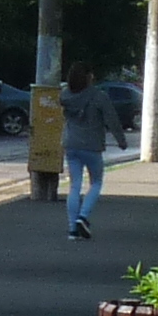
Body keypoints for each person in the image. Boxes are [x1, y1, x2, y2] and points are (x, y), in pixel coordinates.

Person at [59, 65, 124, 240]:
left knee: (74, 186)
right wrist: (121, 141)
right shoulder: (99, 96)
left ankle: (72, 230)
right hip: (92, 146)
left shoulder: (65, 95)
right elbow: (112, 119)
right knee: (96, 182)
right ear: (88, 77)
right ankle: (83, 216)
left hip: (71, 144)